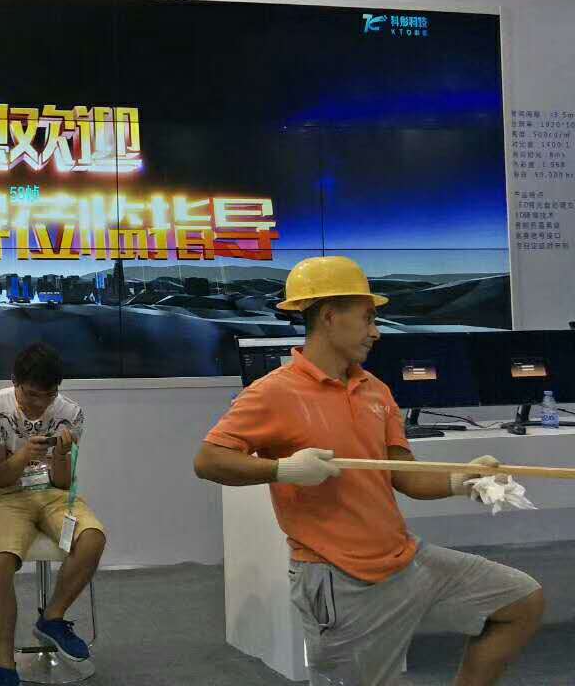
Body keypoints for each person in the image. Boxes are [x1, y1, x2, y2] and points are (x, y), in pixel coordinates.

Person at [194, 256, 544, 686]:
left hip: (405, 559)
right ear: (329, 317)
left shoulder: (376, 390)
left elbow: (405, 476)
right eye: (367, 318)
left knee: (521, 602)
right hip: (339, 579)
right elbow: (208, 460)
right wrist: (282, 469)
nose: (376, 332)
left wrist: (463, 480)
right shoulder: (273, 393)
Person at [0, 342, 106, 686]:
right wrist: (23, 455)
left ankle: (52, 617)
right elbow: (1, 477)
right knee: (0, 563)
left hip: (53, 494)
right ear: (15, 382)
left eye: (48, 396)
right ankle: (5, 667)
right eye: (31, 395)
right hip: (9, 495)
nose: (39, 405)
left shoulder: (71, 413)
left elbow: (62, 483)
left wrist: (61, 455)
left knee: (93, 537)